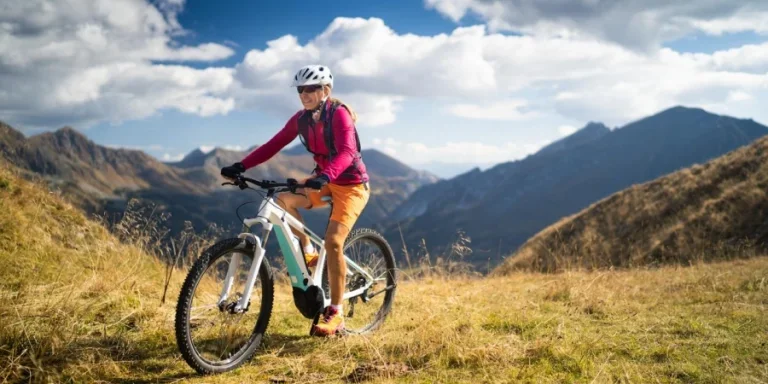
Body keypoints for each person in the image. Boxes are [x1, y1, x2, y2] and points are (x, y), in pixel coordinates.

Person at [220, 64, 370, 337]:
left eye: (311, 88)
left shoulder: (339, 115)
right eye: (301, 89)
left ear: (325, 90)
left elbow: (348, 151)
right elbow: (273, 145)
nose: (304, 94)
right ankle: (308, 250)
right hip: (323, 180)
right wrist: (241, 165)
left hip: (350, 186)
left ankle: (335, 313)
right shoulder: (301, 119)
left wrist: (325, 175)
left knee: (334, 242)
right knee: (282, 202)